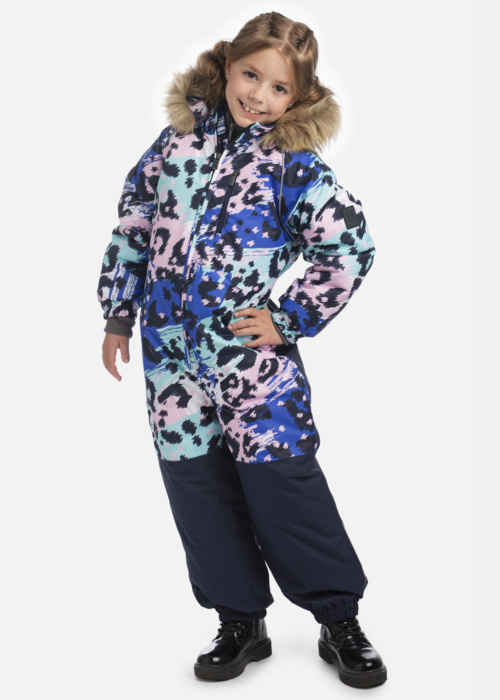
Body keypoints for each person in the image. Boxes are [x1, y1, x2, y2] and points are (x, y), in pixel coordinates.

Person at [97, 11, 387, 689]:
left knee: (283, 482)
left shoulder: (292, 164)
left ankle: (338, 618)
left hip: (250, 363)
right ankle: (238, 620)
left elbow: (350, 246)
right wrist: (117, 312)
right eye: (251, 75)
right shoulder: (178, 140)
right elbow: (135, 221)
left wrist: (287, 318)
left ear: (299, 97)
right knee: (196, 485)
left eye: (278, 87)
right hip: (170, 355)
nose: (258, 95)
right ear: (228, 66)